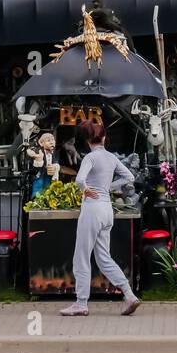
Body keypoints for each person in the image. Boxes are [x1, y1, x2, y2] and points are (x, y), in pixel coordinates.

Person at [60, 121, 140, 317]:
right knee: (104, 258)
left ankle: (81, 303)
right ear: (104, 137)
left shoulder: (90, 157)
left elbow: (79, 179)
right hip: (107, 210)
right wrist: (109, 188)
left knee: (81, 256)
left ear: (87, 139)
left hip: (92, 209)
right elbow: (129, 177)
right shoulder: (111, 157)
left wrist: (86, 190)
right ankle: (129, 295)